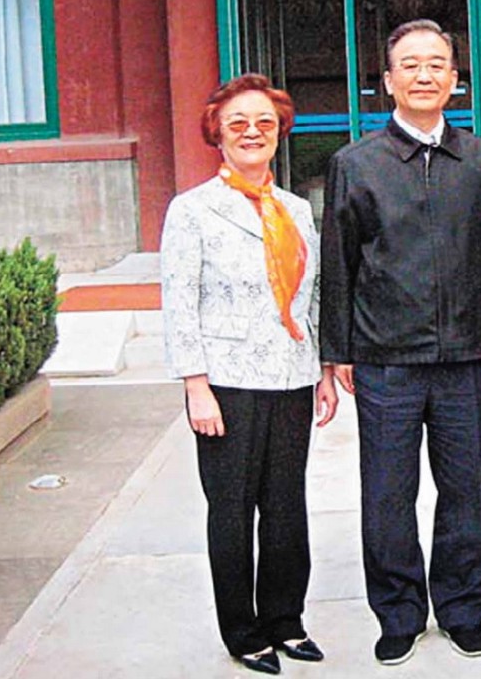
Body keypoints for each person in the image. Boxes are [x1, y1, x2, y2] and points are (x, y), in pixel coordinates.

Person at [319, 19, 481, 665]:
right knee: (387, 494)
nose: (424, 75)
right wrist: (337, 351)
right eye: (411, 64)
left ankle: (462, 608)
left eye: (437, 65)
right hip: (385, 361)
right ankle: (398, 612)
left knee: (465, 489)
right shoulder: (355, 164)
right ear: (388, 81)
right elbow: (339, 264)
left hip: (464, 357)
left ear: (456, 81)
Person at [161, 73, 338, 675]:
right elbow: (180, 301)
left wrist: (321, 372)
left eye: (264, 122)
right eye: (238, 123)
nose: (252, 133)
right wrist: (195, 385)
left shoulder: (294, 209)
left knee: (287, 505)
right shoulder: (191, 211)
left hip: (290, 377)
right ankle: (243, 631)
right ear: (217, 133)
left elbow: (310, 296)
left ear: (280, 131)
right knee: (232, 510)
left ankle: (286, 619)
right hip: (227, 384)